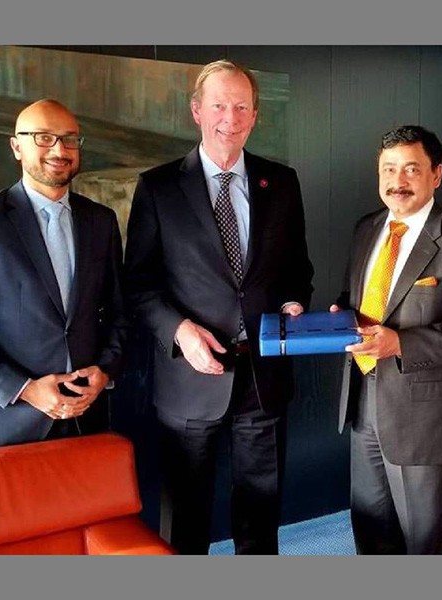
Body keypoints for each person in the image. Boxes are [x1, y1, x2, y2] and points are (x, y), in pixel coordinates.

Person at [123, 59, 314, 555]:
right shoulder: (158, 187)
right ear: (196, 112)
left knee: (259, 515)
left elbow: (298, 270)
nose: (229, 117)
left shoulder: (283, 182)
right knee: (184, 519)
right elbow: (139, 285)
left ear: (254, 116)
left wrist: (295, 302)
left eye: (241, 106)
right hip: (190, 377)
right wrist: (181, 331)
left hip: (263, 375)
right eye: (218, 105)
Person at [331, 125, 442, 554]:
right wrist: (338, 316)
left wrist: (399, 344)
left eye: (411, 169)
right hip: (364, 401)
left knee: (428, 540)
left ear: (436, 175)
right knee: (371, 528)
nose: (397, 181)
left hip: (424, 413)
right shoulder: (366, 228)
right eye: (389, 169)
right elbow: (358, 298)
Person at [0, 99, 127, 451]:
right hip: (5, 426)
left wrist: (105, 371)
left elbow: (119, 313)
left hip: (86, 422)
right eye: (43, 137)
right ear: (17, 146)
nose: (59, 149)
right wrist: (25, 389)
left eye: (69, 139)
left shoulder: (100, 221)